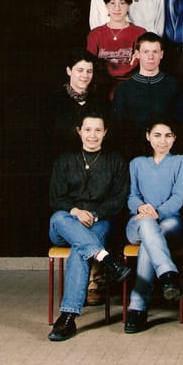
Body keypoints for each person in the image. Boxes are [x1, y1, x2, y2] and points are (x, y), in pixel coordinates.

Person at [47, 111, 131, 341]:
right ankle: (106, 258)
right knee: (58, 218)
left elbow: (118, 199)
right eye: (87, 130)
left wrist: (94, 215)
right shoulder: (66, 160)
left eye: (97, 130)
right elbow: (56, 197)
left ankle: (68, 318)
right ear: (79, 132)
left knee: (80, 251)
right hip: (66, 224)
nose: (92, 135)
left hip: (97, 224)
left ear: (105, 133)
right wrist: (75, 211)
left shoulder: (115, 161)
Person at [124, 119, 183, 334]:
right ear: (148, 136)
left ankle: (137, 308)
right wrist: (142, 208)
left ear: (175, 138)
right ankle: (168, 274)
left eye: (168, 136)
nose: (163, 141)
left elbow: (178, 198)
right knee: (147, 226)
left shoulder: (181, 162)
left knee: (149, 241)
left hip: (169, 222)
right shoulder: (136, 163)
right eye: (157, 135)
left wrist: (157, 212)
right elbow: (132, 196)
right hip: (138, 221)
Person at [111, 32, 181, 158]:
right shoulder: (124, 89)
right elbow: (119, 129)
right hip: (133, 154)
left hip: (167, 153)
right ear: (137, 54)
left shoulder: (174, 86)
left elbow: (179, 126)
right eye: (145, 52)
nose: (150, 57)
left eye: (155, 52)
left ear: (161, 54)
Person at [86, 0, 147, 92]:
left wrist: (105, 66)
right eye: (112, 3)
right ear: (106, 5)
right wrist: (128, 66)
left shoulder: (140, 33)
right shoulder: (95, 34)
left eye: (122, 3)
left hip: (132, 88)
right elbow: (90, 66)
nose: (117, 8)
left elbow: (142, 67)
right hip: (101, 89)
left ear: (129, 4)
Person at [45, 49, 107, 156]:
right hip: (61, 159)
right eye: (80, 70)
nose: (85, 75)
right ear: (69, 71)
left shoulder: (100, 100)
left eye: (89, 71)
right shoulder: (53, 100)